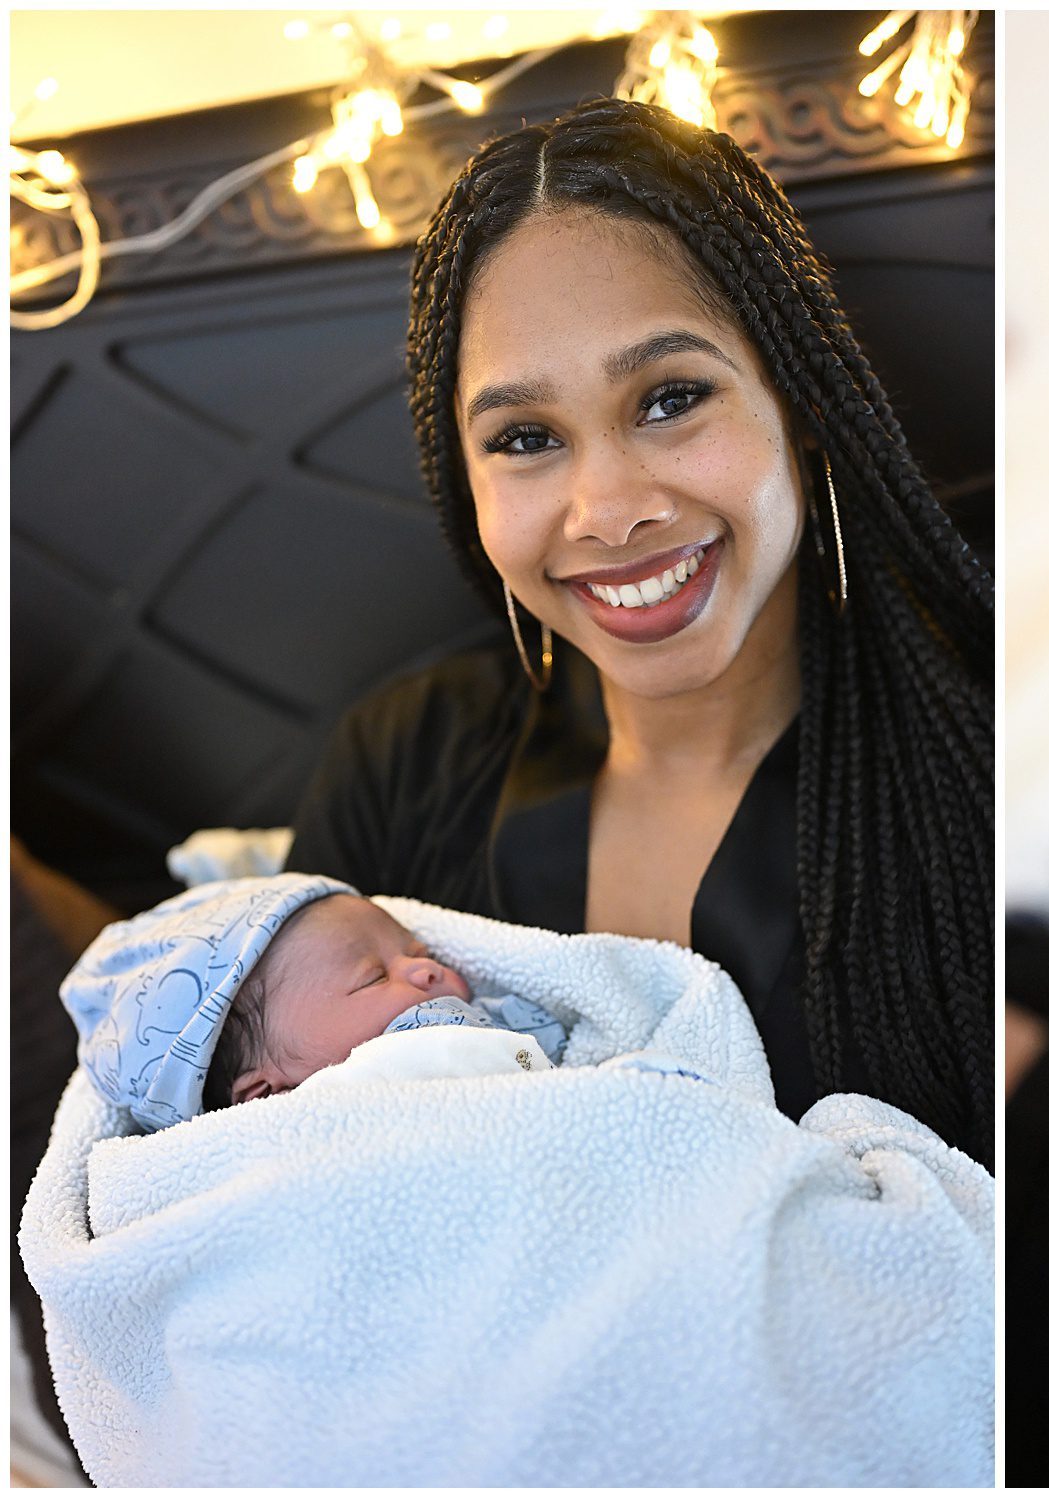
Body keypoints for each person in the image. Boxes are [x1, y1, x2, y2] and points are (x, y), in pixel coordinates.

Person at [284, 96, 993, 1166]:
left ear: (795, 406)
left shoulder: (983, 762)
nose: (608, 508)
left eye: (668, 398)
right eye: (525, 437)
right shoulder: (401, 763)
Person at [57, 874, 567, 1132]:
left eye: (419, 951)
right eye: (374, 978)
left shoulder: (487, 1022)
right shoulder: (314, 1122)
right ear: (263, 1094)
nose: (424, 968)